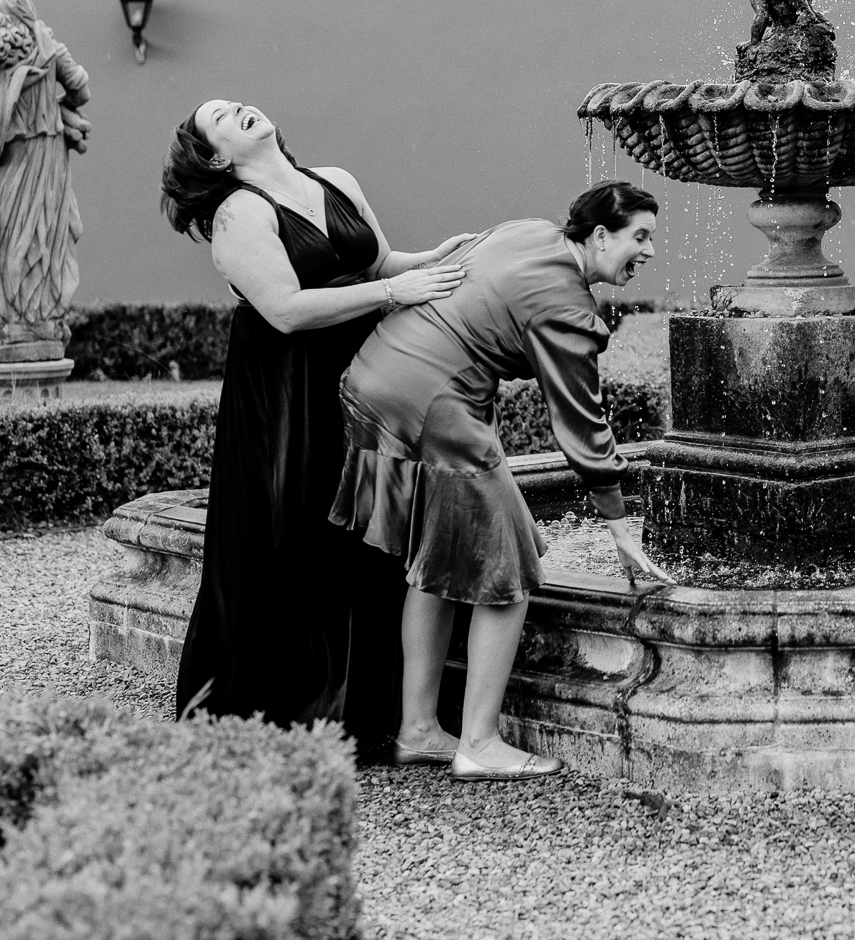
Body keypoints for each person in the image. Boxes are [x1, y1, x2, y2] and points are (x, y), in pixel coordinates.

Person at [332, 180, 673, 782]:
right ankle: (480, 742)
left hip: (374, 374)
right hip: (435, 400)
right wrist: (622, 528)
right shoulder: (566, 306)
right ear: (599, 237)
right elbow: (582, 424)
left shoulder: (528, 232)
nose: (648, 251)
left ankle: (418, 730)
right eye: (638, 237)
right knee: (507, 564)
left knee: (433, 559)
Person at [160, 99, 472, 754]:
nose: (240, 108)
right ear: (215, 157)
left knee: (373, 527)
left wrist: (433, 260)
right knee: (301, 527)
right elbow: (285, 309)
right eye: (221, 115)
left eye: (239, 101)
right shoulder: (237, 213)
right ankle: (301, 710)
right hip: (289, 385)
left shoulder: (336, 181)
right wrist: (393, 294)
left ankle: (378, 711)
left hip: (361, 367)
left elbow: (379, 264)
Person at [0, 0, 92, 348]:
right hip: (46, 154)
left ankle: (23, 323)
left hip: (15, 156)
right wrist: (54, 103)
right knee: (36, 237)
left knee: (6, 237)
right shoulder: (52, 50)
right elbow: (81, 90)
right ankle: (9, 320)